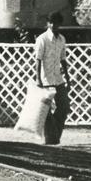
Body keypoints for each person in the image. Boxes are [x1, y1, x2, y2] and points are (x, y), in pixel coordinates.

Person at [34, 11, 70, 145]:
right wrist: (38, 79)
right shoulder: (42, 39)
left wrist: (68, 78)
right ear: (48, 23)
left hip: (58, 78)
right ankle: (50, 138)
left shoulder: (61, 39)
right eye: (51, 23)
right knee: (46, 110)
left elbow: (63, 59)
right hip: (45, 79)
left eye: (57, 23)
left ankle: (54, 134)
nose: (54, 25)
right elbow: (38, 60)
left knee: (64, 106)